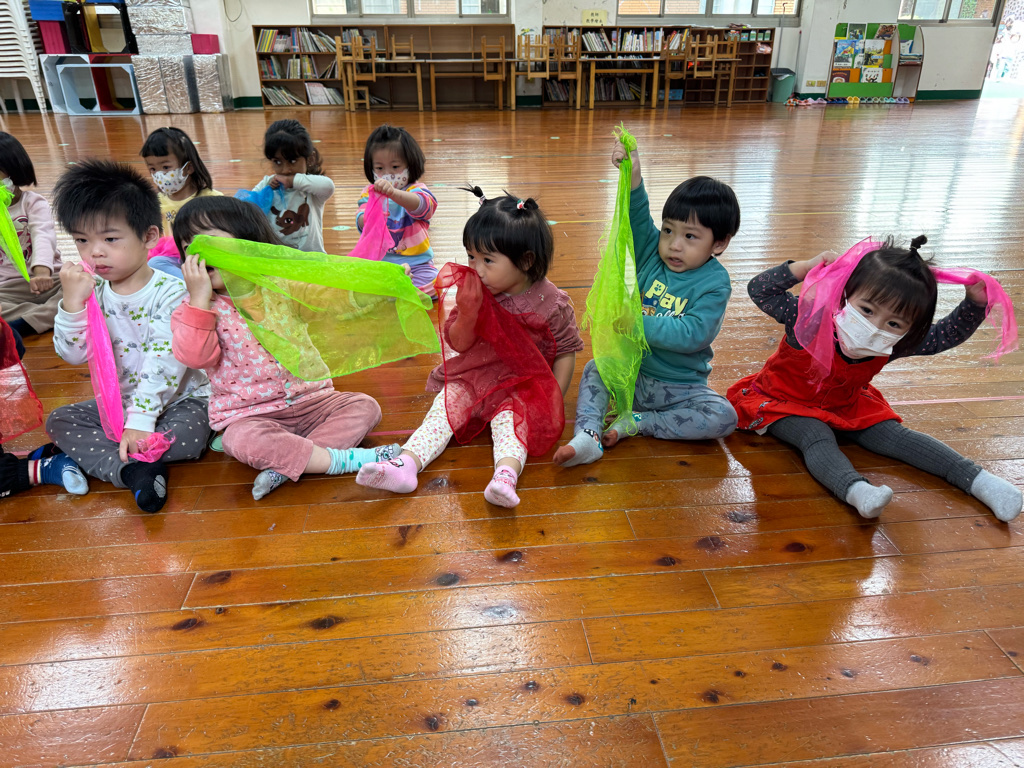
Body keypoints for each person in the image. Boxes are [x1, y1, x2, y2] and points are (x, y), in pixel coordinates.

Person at [727, 236, 1022, 522]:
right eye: (866, 310)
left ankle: (981, 481)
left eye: (893, 323)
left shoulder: (895, 342)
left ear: (911, 327)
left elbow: (944, 335)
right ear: (845, 293)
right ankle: (856, 491)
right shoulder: (810, 317)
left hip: (845, 405)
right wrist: (804, 268)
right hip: (781, 401)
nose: (874, 327)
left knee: (896, 436)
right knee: (815, 435)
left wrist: (974, 303)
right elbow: (760, 290)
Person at [356, 188, 584, 508]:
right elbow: (458, 342)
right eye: (471, 257)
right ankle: (406, 463)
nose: (476, 268)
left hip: (521, 384)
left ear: (526, 261)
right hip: (474, 376)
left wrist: (553, 397)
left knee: (511, 423)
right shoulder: (476, 290)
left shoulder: (552, 303)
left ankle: (505, 476)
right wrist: (468, 311)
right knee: (443, 407)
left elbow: (566, 351)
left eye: (487, 260)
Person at [170, 195, 401, 500]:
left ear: (248, 244)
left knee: (365, 406)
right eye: (187, 247)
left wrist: (376, 290)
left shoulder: (280, 285)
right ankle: (341, 460)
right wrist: (199, 300)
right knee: (237, 439)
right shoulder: (190, 310)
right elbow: (196, 357)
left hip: (314, 401)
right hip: (251, 415)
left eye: (206, 241)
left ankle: (288, 465)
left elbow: (328, 298)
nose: (195, 253)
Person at [555, 137, 739, 467]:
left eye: (690, 236)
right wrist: (633, 173)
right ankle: (588, 435)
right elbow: (637, 217)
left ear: (719, 243)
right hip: (633, 375)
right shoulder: (652, 255)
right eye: (668, 230)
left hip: (680, 388)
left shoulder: (715, 282)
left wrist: (638, 323)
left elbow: (694, 334)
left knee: (724, 416)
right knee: (596, 368)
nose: (674, 245)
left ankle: (639, 422)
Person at [46, 160, 211, 513]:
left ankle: (116, 455)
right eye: (82, 240)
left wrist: (140, 422)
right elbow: (73, 354)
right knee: (60, 420)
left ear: (149, 237)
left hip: (183, 399)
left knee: (191, 436)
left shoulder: (171, 292)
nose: (94, 252)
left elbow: (165, 361)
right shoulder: (92, 292)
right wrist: (72, 305)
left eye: (110, 239)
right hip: (121, 403)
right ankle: (135, 469)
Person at [356, 124, 438, 297]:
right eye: (379, 168)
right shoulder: (369, 193)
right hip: (381, 264)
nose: (387, 174)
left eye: (395, 167)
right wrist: (373, 211)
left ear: (410, 165)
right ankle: (398, 289)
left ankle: (399, 289)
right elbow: (362, 221)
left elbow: (424, 206)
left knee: (433, 285)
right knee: (360, 286)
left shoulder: (417, 190)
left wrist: (393, 194)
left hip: (417, 263)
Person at [0, 131, 63, 335]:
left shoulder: (33, 202)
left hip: (51, 279)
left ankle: (25, 320)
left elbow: (42, 234)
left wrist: (42, 272)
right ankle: (44, 316)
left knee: (90, 283)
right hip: (9, 287)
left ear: (13, 170)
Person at [140, 126, 221, 279]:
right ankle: (196, 284)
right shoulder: (156, 203)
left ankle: (200, 284)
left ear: (188, 168)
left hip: (207, 259)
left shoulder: (211, 198)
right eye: (153, 169)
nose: (159, 175)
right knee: (154, 263)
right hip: (175, 261)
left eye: (166, 167)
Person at [251, 119, 333, 253]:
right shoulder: (268, 184)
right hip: (278, 259)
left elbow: (328, 186)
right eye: (277, 162)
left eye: (292, 161)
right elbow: (248, 206)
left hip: (312, 260)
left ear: (310, 159)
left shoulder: (312, 190)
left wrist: (292, 181)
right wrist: (266, 189)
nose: (285, 170)